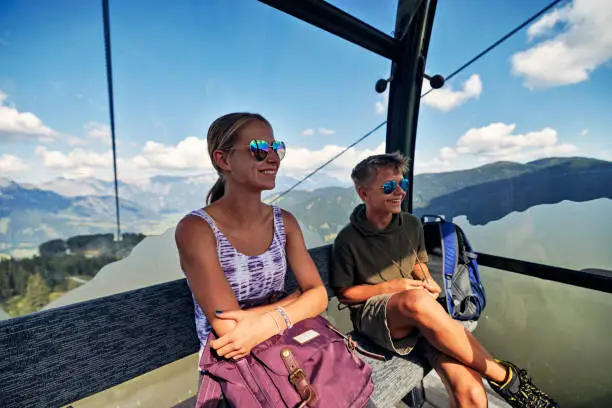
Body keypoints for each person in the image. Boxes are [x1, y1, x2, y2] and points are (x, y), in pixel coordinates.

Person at [331, 152, 558, 408]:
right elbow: (345, 294)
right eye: (388, 186)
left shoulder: (411, 225)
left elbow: (417, 263)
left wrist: (429, 281)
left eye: (402, 184)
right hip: (377, 316)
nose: (400, 192)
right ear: (364, 194)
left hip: (420, 316)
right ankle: (506, 377)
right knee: (417, 301)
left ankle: (501, 379)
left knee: (470, 390)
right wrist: (394, 287)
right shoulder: (348, 239)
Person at [175, 113, 328, 383]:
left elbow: (319, 296)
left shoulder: (285, 222)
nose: (273, 158)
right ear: (223, 159)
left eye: (276, 148)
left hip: (289, 351)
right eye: (259, 149)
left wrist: (267, 320)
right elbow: (230, 328)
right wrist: (293, 301)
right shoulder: (196, 230)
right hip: (236, 372)